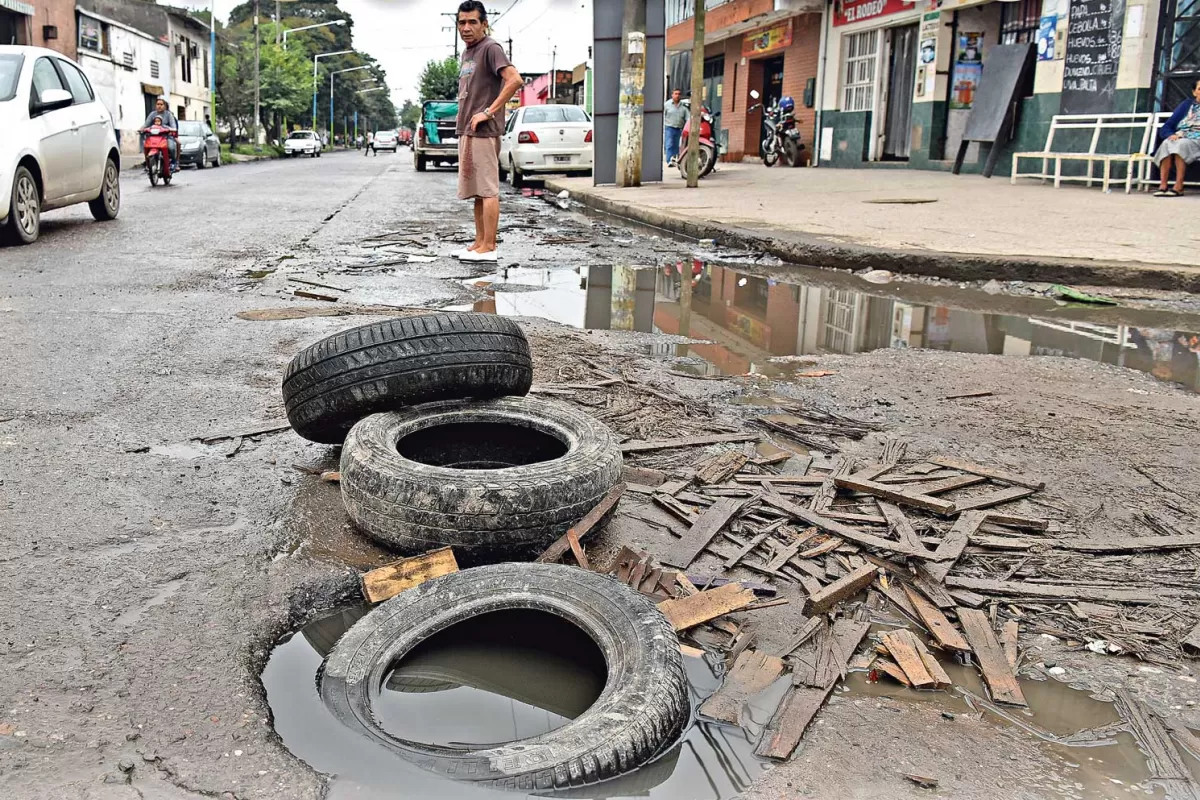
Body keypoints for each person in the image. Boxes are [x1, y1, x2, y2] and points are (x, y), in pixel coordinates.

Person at [451, 0, 522, 263]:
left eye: (472, 22)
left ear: (484, 24)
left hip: (484, 130)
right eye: (462, 22)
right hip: (469, 130)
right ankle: (479, 243)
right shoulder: (468, 53)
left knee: (488, 189)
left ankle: (490, 247)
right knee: (477, 191)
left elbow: (515, 80)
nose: (466, 28)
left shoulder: (490, 48)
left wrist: (488, 112)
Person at [1153, 79, 1200, 197]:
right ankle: (1163, 185)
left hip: (1197, 140)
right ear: (1194, 92)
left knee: (1180, 144)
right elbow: (1167, 127)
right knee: (1167, 143)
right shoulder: (1186, 105)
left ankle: (1179, 186)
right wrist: (1171, 135)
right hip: (1181, 138)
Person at [141, 97, 178, 170]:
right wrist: (141, 129)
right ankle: (148, 162)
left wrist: (170, 129)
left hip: (166, 137)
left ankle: (173, 162)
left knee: (171, 147)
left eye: (161, 104)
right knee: (146, 146)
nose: (159, 106)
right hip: (153, 137)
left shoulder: (169, 114)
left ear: (165, 106)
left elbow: (173, 126)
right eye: (158, 104)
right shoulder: (152, 114)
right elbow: (146, 125)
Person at [664, 89, 687, 167]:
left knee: (677, 145)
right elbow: (663, 115)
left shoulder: (683, 106)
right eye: (676, 94)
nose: (677, 95)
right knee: (669, 144)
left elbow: (687, 117)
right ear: (672, 95)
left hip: (679, 128)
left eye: (679, 94)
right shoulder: (667, 105)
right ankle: (669, 160)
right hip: (669, 127)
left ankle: (674, 160)